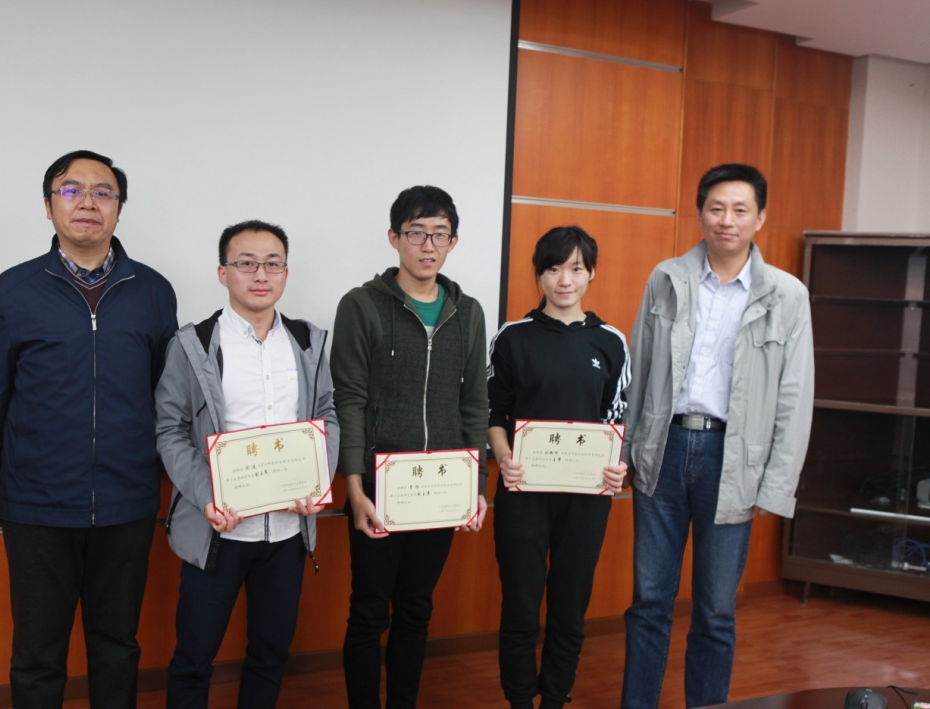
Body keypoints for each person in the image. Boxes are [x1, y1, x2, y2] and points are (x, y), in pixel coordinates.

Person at [0, 149, 178, 709]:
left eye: (102, 192)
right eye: (71, 190)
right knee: (38, 655)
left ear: (119, 208)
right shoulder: (13, 290)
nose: (88, 202)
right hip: (36, 506)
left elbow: (167, 397)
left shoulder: (153, 291)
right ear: (48, 206)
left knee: (117, 647)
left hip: (127, 503)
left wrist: (154, 481)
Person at [620, 163, 815, 709]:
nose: (727, 220)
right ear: (700, 213)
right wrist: (628, 453)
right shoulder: (666, 277)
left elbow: (795, 397)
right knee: (649, 602)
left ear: (760, 218)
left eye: (740, 210)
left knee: (715, 610)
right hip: (663, 448)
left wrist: (776, 484)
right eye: (716, 208)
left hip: (732, 461)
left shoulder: (788, 295)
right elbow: (639, 369)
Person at [155, 219, 339, 709]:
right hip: (218, 531)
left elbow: (326, 414)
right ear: (223, 273)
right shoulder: (193, 343)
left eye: (272, 264)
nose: (261, 274)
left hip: (287, 532)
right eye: (246, 263)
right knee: (193, 659)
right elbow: (169, 429)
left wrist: (318, 480)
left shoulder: (309, 341)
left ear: (286, 273)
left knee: (269, 655)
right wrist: (207, 496)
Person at [331, 185, 489, 709]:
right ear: (394, 238)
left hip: (441, 486)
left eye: (439, 234)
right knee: (369, 611)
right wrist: (354, 490)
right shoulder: (362, 305)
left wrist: (476, 485)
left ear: (453, 241)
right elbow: (350, 400)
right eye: (416, 233)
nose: (428, 245)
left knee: (417, 609)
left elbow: (474, 404)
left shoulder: (468, 312)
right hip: (380, 485)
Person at [487, 226, 630, 709]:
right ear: (539, 274)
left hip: (586, 497)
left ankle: (554, 698)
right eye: (553, 268)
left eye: (576, 268)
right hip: (523, 494)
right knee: (521, 609)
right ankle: (519, 700)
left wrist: (617, 466)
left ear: (591, 274)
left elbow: (617, 420)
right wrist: (504, 456)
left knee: (569, 609)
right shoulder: (512, 337)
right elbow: (493, 413)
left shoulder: (611, 341)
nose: (564, 280)